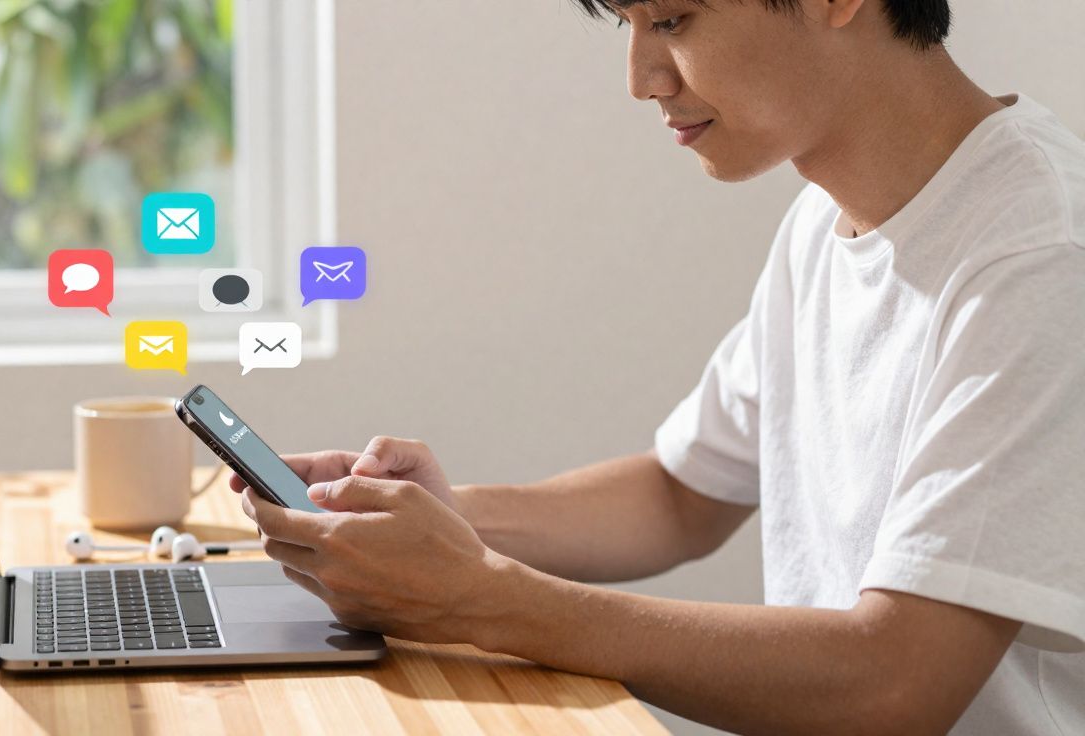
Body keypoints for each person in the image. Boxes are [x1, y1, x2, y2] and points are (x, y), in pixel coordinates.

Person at [229, 1, 1085, 732]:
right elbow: (680, 498)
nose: (641, 77)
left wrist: (484, 600)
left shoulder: (1039, 254)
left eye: (671, 18)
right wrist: (433, 522)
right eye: (628, 22)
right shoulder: (826, 222)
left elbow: (896, 683)